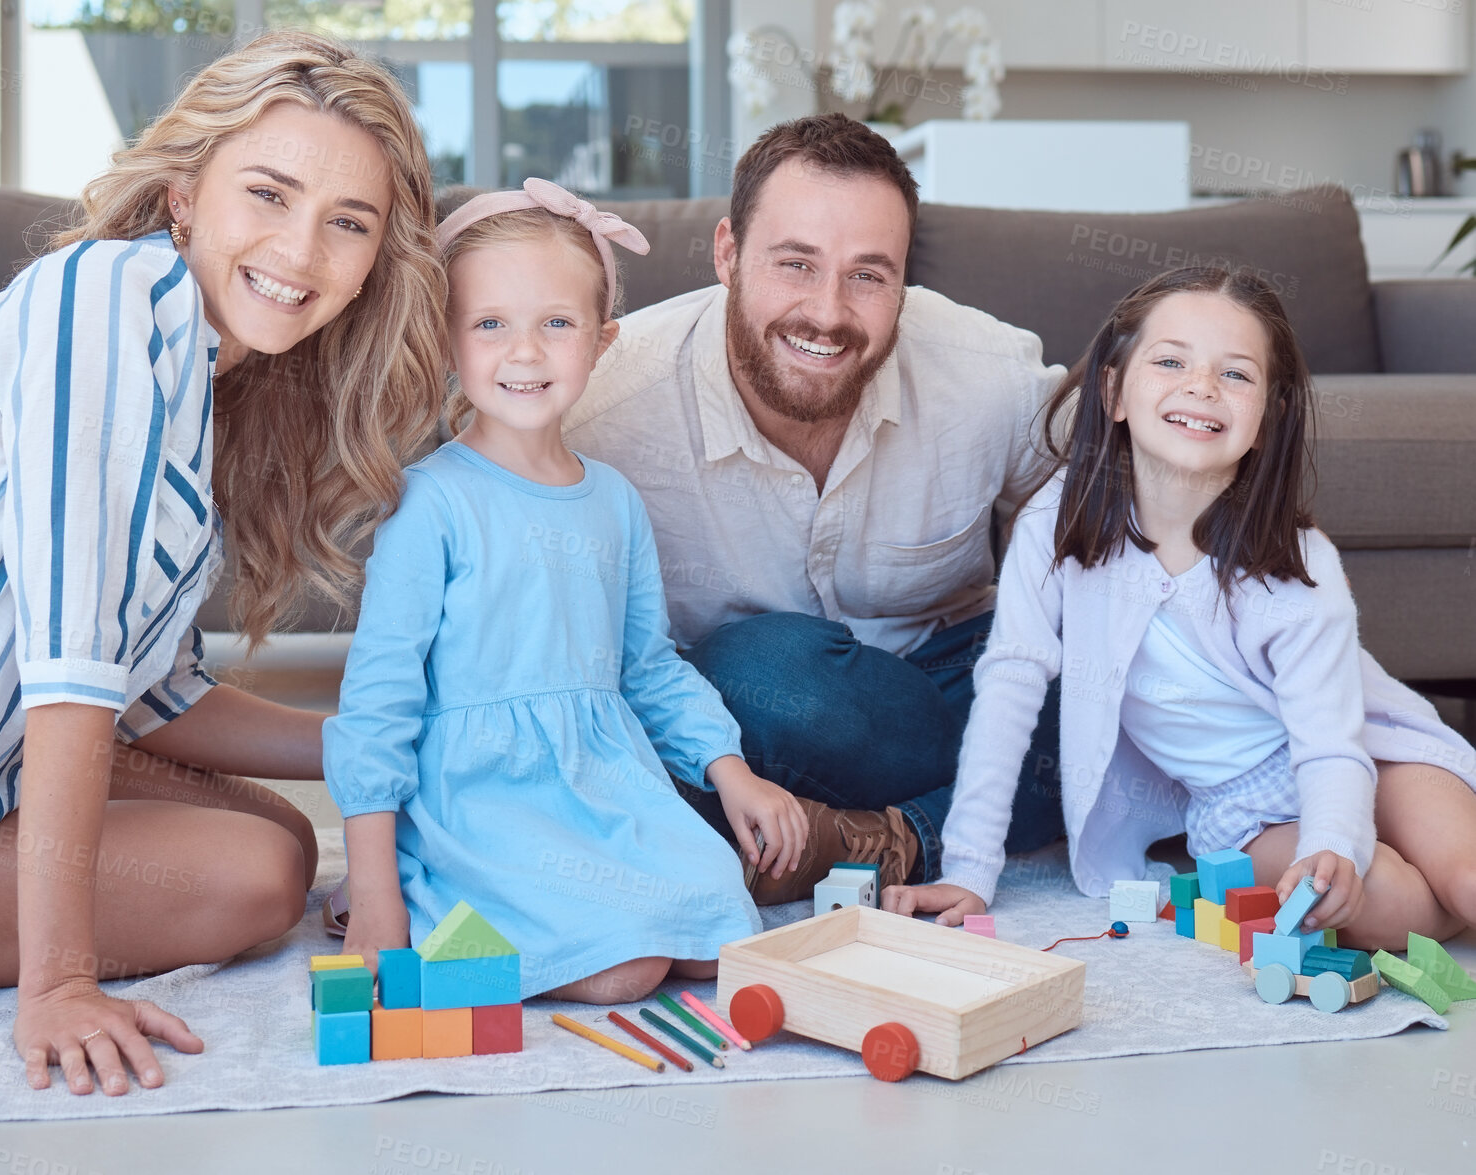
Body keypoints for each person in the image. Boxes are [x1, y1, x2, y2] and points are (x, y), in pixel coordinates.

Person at [0, 31, 449, 1096]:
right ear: (185, 196)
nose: (302, 251)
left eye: (347, 222)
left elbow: (156, 694)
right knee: (265, 871)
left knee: (272, 826)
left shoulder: (208, 374)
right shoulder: (105, 299)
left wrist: (384, 741)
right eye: (268, 194)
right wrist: (60, 980)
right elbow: (77, 672)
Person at [885, 266, 1476, 949]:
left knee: (1463, 878)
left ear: (1264, 419)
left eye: (1235, 374)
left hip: (1366, 748)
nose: (1200, 386)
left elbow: (1329, 741)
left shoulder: (1295, 561)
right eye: (1170, 361)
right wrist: (968, 868)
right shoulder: (1055, 522)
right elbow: (1009, 686)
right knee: (1389, 908)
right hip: (1246, 808)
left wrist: (1337, 836)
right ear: (1112, 391)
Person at [324, 179, 805, 1004]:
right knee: (624, 971)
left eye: (556, 323)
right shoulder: (429, 502)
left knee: (721, 927)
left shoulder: (613, 499)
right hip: (481, 797)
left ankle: (595, 904)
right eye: (489, 324)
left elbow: (646, 666)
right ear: (447, 343)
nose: (524, 352)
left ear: (601, 341)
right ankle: (420, 881)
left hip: (602, 780)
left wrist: (731, 773)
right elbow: (379, 699)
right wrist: (373, 889)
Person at [565, 112, 1066, 904]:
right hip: (754, 717)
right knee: (758, 668)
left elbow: (1116, 511)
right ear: (727, 253)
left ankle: (893, 840)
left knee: (1121, 677)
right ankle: (1001, 803)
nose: (828, 314)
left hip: (950, 688)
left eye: (868, 275)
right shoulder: (599, 406)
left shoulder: (988, 372)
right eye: (795, 264)